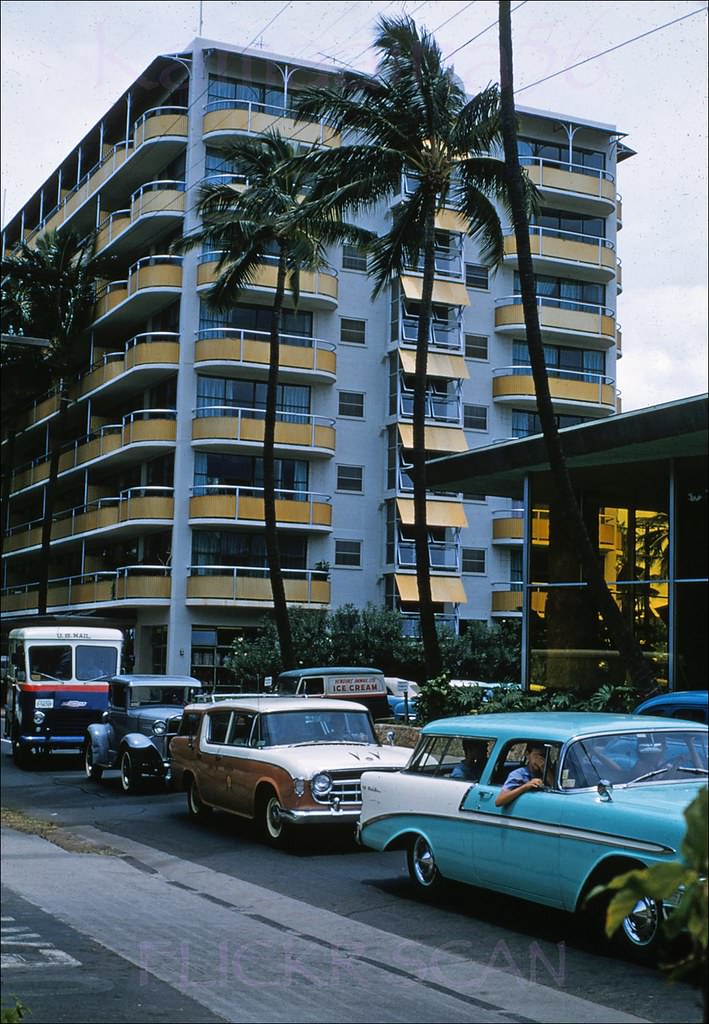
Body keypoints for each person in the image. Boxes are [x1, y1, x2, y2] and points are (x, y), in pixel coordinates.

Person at [495, 742, 547, 807]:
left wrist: (544, 769)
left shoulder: (546, 773)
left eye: (542, 756)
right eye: (536, 756)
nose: (539, 759)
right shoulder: (519, 774)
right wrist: (525, 787)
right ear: (527, 755)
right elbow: (499, 801)